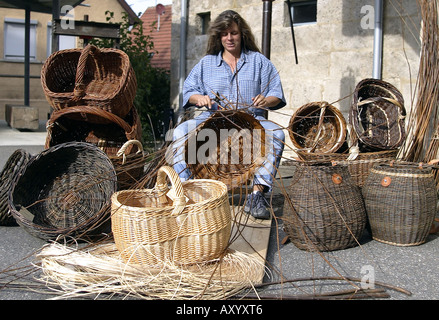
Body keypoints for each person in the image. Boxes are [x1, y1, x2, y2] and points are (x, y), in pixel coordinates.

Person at [170, 10, 286, 219]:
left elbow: (276, 94)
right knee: (180, 133)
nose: (229, 38)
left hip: (252, 123)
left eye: (233, 33)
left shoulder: (259, 62)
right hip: (211, 123)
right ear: (218, 37)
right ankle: (185, 190)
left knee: (277, 133)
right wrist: (200, 99)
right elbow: (188, 92)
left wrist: (265, 100)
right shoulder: (206, 64)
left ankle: (256, 196)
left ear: (242, 34)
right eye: (224, 34)